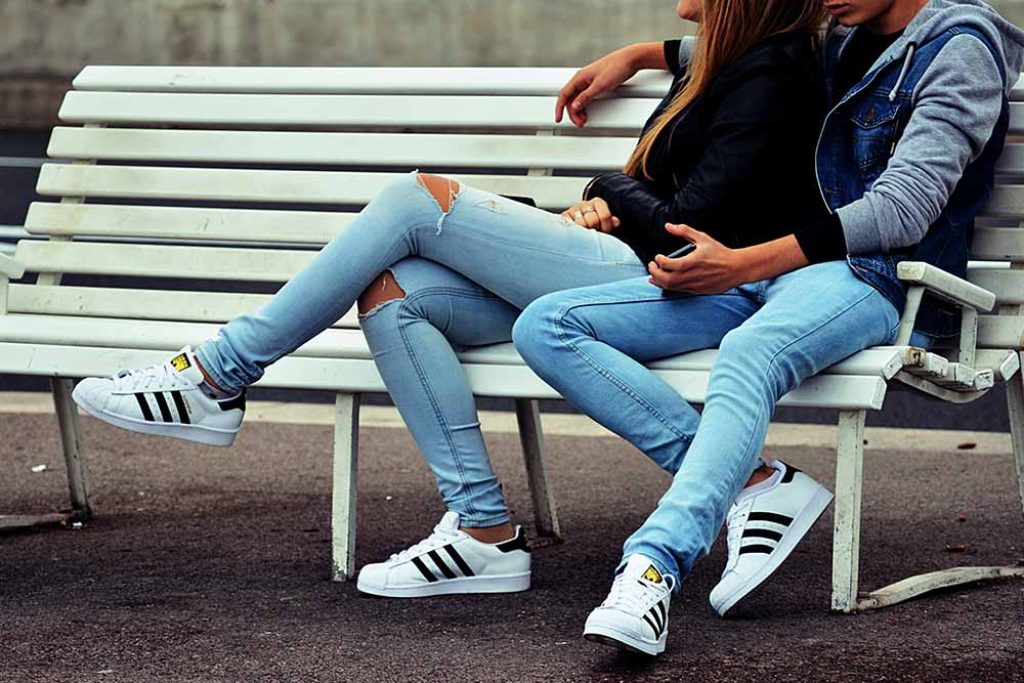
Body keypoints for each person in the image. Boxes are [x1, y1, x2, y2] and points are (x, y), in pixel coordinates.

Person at [72, 0, 830, 600]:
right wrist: (639, 54)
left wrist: (604, 191)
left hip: (664, 282)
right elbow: (714, 60)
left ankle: (217, 374)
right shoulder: (732, 57)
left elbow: (689, 227)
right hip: (620, 266)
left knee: (416, 201)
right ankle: (484, 532)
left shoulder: (774, 72)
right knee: (396, 294)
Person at [512, 0, 1023, 658]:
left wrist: (741, 263)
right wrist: (639, 55)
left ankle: (651, 567)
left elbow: (904, 207)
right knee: (550, 324)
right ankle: (756, 482)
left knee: (749, 353)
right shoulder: (842, 32)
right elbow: (748, 49)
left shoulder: (960, 51)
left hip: (878, 281)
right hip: (772, 269)